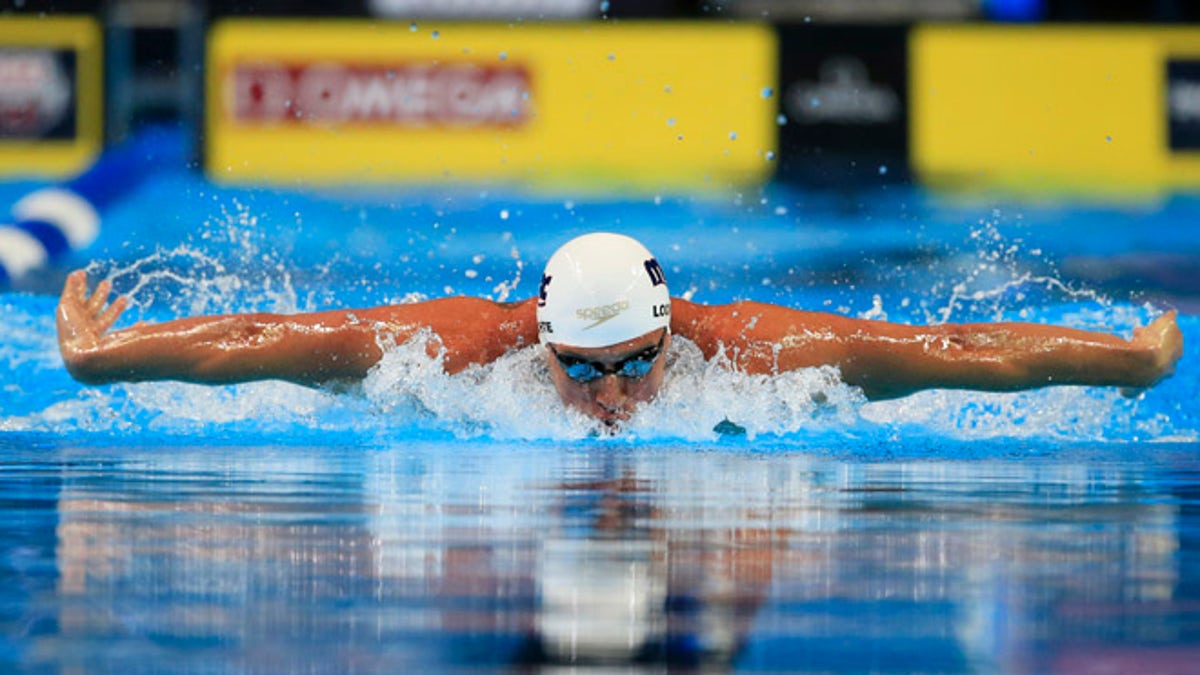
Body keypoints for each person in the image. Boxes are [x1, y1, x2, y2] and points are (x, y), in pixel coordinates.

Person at [57, 232, 1183, 425]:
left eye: (640, 363)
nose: (615, 396)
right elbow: (257, 339)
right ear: (536, 339)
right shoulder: (452, 349)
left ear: (669, 329)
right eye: (584, 372)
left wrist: (1130, 367)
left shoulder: (751, 353)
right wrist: (101, 361)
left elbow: (957, 356)